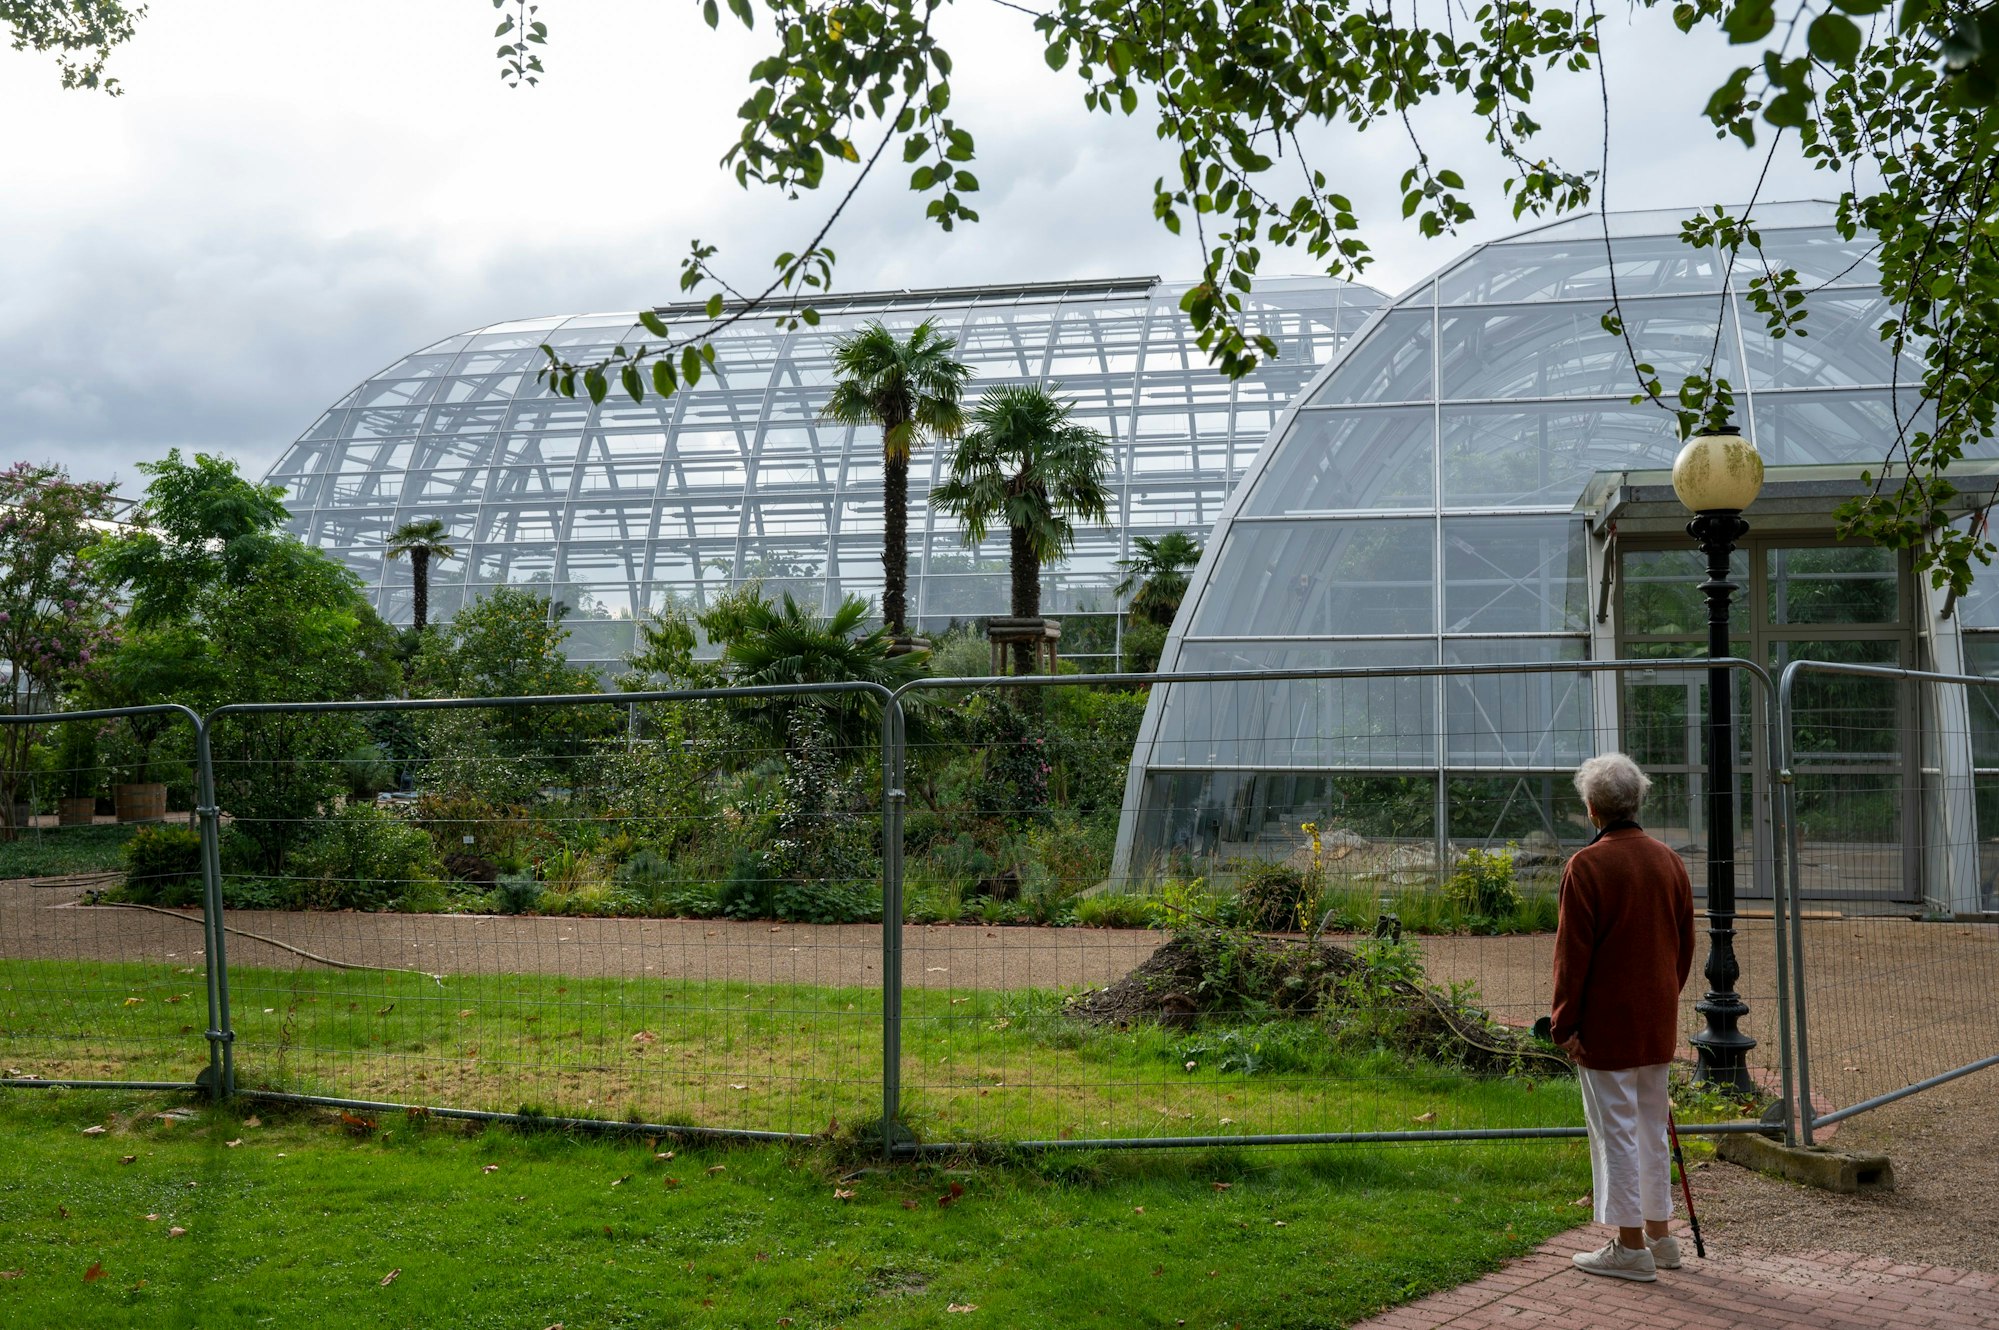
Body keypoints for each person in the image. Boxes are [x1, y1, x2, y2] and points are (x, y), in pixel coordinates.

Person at [1552, 752, 1695, 1283]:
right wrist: (1663, 998)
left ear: (1592, 809)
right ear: (1637, 801)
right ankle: (1660, 1237)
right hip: (1656, 1020)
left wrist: (1563, 1024)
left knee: (1616, 1130)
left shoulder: (1586, 866)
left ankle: (1629, 1247)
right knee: (1651, 1128)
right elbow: (1683, 948)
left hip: (1606, 1025)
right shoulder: (1668, 860)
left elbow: (1573, 957)